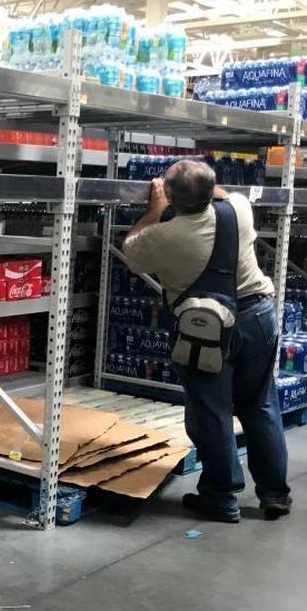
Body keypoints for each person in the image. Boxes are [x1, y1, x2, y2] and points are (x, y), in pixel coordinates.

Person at [123, 159, 291, 523]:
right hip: (258, 317)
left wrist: (155, 208)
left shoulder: (165, 235)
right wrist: (201, 184)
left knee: (212, 412)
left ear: (170, 195)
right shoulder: (238, 212)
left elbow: (131, 249)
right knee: (261, 405)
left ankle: (221, 496)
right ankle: (274, 494)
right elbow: (226, 194)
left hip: (205, 329)